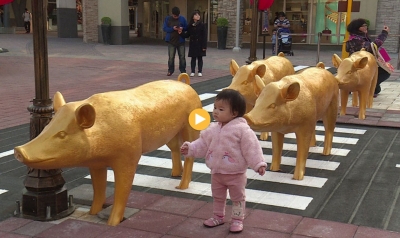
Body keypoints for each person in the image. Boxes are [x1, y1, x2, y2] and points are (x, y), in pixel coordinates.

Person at [180, 89, 267, 233]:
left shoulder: (242, 130)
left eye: (221, 109)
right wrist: (190, 148)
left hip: (236, 173)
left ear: (234, 113)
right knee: (218, 196)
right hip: (217, 172)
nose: (215, 112)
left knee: (238, 198)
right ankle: (218, 216)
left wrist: (258, 164)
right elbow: (202, 143)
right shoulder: (212, 129)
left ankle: (238, 219)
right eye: (215, 108)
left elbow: (251, 148)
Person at [345, 18, 390, 97]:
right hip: (361, 65)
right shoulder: (356, 39)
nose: (366, 27)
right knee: (385, 72)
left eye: (366, 25)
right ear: (357, 28)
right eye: (363, 26)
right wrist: (384, 33)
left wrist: (386, 58)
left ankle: (370, 87)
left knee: (377, 89)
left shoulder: (362, 37)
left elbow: (375, 47)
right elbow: (373, 46)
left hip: (366, 64)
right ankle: (366, 87)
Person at [162, 6, 188, 76]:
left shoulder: (182, 19)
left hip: (180, 40)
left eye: (177, 16)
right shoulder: (167, 19)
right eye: (175, 16)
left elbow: (187, 27)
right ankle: (170, 70)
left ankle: (183, 70)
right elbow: (164, 28)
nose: (176, 17)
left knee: (182, 57)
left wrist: (182, 28)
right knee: (171, 57)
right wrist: (172, 28)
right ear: (172, 14)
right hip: (171, 41)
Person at [183, 10, 207, 77]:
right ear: (193, 17)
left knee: (200, 58)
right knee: (193, 58)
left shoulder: (202, 25)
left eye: (198, 15)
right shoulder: (190, 25)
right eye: (196, 15)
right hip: (193, 44)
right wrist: (181, 33)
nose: (198, 16)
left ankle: (200, 71)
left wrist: (204, 46)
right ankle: (192, 71)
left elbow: (204, 36)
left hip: (200, 43)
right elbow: (187, 34)